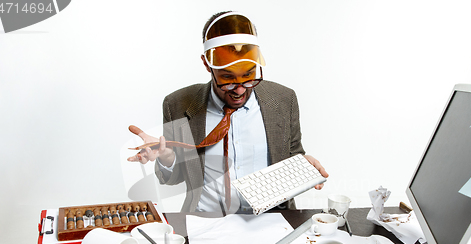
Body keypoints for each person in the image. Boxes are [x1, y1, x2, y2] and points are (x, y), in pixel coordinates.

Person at [128, 11, 328, 213]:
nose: (240, 90)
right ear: (207, 64)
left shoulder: (284, 100)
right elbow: (172, 177)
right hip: (205, 222)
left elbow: (293, 156)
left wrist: (303, 166)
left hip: (273, 220)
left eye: (249, 76)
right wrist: (167, 158)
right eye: (228, 78)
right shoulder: (177, 104)